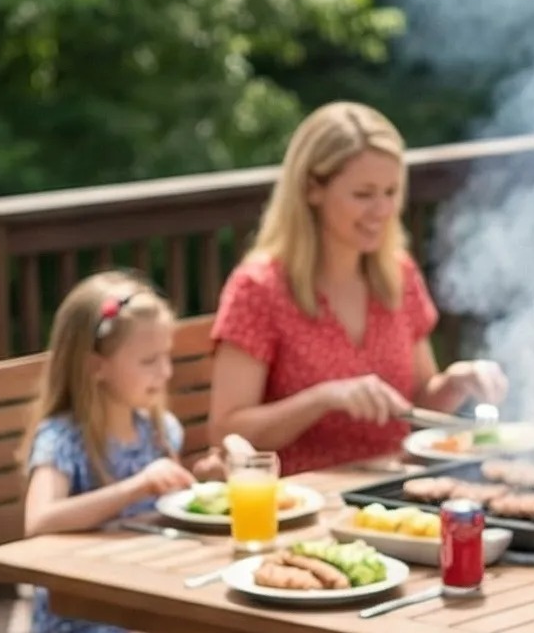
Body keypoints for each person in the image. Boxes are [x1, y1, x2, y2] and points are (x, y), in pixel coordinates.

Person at [22, 272, 301, 633]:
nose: (164, 374)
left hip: (164, 602)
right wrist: (134, 487)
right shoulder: (63, 439)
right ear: (96, 364)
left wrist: (203, 477)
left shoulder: (158, 428)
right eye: (148, 360)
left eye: (167, 358)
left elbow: (169, 498)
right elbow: (38, 520)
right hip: (86, 622)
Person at [206, 102, 507, 474]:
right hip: (304, 504)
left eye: (391, 191)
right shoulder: (258, 289)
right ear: (312, 189)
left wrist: (456, 383)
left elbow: (417, 406)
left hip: (396, 489)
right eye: (363, 194)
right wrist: (322, 399)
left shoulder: (399, 274)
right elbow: (225, 431)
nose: (382, 210)